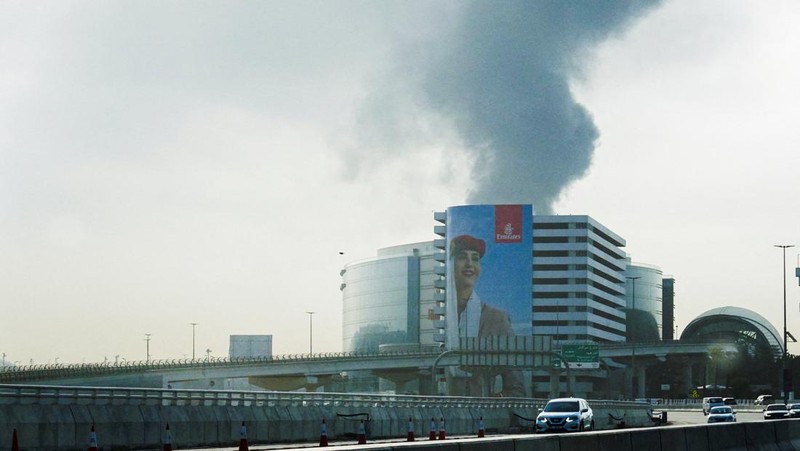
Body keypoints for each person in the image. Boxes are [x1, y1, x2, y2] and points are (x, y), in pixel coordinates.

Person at [449, 235, 524, 397]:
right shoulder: (442, 317)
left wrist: (498, 399)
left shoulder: (496, 318)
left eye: (475, 259)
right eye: (462, 257)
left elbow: (516, 387)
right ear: (450, 265)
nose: (469, 264)